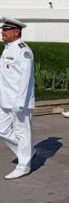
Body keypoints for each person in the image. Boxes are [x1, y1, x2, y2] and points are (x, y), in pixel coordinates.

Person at [0, 17, 36, 179]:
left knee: (22, 133)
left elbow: (25, 77)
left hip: (19, 101)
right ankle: (28, 151)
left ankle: (24, 165)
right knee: (3, 130)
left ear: (16, 32)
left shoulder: (23, 50)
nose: (2, 32)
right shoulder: (7, 48)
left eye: (5, 30)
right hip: (5, 99)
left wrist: (20, 101)